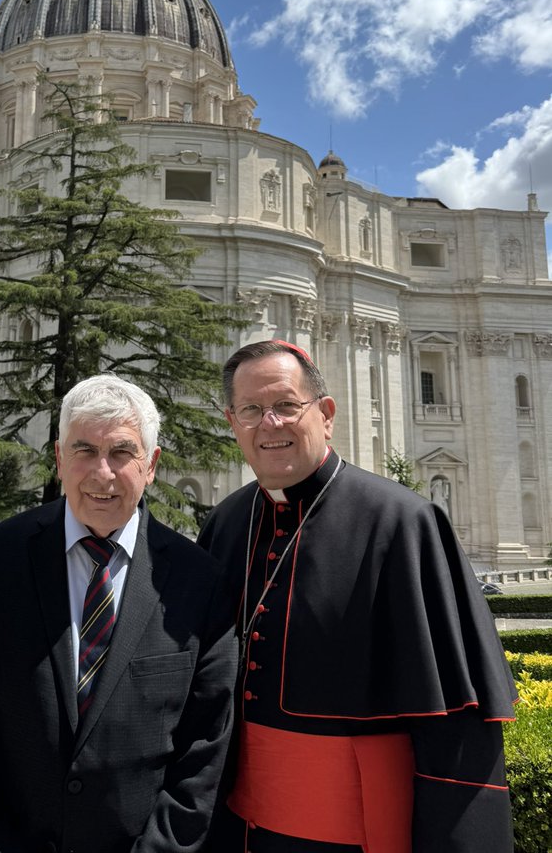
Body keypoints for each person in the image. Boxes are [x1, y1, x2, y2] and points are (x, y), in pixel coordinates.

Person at [198, 340, 517, 853]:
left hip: (359, 831)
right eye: (252, 410)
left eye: (285, 406)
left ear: (325, 414)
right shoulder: (227, 522)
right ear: (232, 421)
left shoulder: (403, 522)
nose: (270, 424)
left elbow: (456, 722)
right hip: (237, 828)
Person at [0, 374, 238, 853]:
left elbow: (206, 749)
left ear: (151, 465)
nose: (102, 473)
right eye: (85, 450)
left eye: (121, 453)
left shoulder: (201, 580)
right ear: (58, 458)